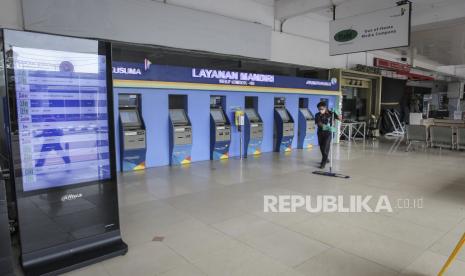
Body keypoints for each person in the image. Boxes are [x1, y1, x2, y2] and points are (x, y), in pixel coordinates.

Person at [315, 101, 342, 169]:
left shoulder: (331, 114)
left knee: (326, 148)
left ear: (325, 108)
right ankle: (326, 158)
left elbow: (340, 119)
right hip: (320, 132)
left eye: (322, 109)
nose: (320, 110)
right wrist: (326, 127)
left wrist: (337, 112)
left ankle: (323, 162)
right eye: (319, 109)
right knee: (321, 147)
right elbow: (318, 123)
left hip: (328, 133)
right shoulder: (317, 115)